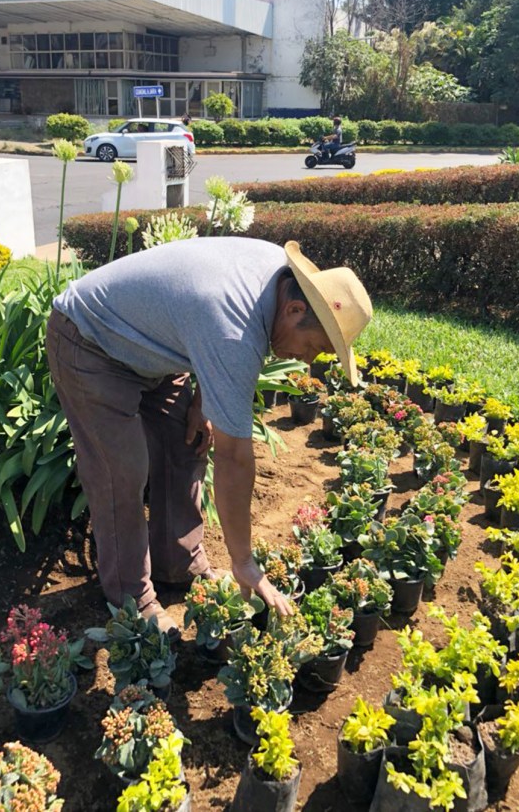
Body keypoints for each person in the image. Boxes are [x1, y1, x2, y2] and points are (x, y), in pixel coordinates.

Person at [46, 237, 372, 638]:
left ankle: (178, 562)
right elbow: (235, 458)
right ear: (295, 309)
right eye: (315, 346)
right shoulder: (235, 330)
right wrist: (244, 563)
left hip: (154, 343)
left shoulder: (278, 282)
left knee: (188, 440)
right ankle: (132, 598)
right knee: (122, 471)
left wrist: (202, 398)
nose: (308, 360)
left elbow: (201, 318)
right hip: (91, 339)